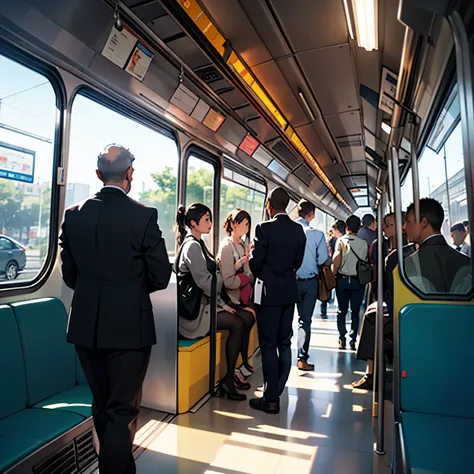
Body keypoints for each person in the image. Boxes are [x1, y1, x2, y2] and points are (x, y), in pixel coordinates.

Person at [60, 144, 172, 474]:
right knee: (123, 412)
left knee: (103, 406)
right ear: (129, 175)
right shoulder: (143, 215)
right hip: (129, 329)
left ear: (97, 175)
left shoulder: (73, 215)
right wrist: (130, 293)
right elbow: (161, 276)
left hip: (85, 327)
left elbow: (70, 276)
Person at [176, 203, 254, 400]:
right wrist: (223, 300)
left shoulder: (200, 244)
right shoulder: (193, 247)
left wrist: (223, 304)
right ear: (193, 223)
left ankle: (232, 375)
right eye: (206, 220)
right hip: (195, 314)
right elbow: (208, 283)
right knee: (237, 324)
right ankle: (229, 380)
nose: (210, 224)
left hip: (205, 306)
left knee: (240, 320)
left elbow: (210, 283)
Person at [248, 187, 306, 414]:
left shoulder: (263, 228)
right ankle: (278, 389)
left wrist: (266, 273)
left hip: (268, 293)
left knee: (268, 344)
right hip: (289, 292)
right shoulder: (298, 230)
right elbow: (298, 261)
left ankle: (270, 398)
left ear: (269, 205)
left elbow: (255, 263)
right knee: (284, 342)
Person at [352, 213, 415, 389]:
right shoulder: (383, 245)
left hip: (400, 304)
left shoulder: (399, 252)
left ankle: (370, 372)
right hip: (391, 297)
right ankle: (371, 370)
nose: (384, 229)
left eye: (388, 225)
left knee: (372, 317)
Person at [218, 209, 256, 380]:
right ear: (234, 225)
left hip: (241, 296)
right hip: (231, 298)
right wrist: (243, 278)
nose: (247, 228)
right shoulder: (226, 247)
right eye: (245, 224)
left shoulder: (243, 245)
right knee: (245, 319)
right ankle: (235, 369)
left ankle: (243, 361)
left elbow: (249, 273)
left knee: (251, 317)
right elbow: (228, 282)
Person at [404, 198, 471, 293]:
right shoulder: (467, 262)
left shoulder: (410, 263)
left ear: (423, 222)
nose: (404, 227)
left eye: (408, 222)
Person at [294, 200, 328, 371]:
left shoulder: (289, 230)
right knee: (304, 321)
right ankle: (302, 358)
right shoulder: (317, 234)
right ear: (311, 214)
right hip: (309, 283)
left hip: (289, 282)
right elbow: (323, 260)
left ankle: (280, 355)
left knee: (285, 319)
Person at [332, 215, 368, 350]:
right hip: (357, 282)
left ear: (346, 228)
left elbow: (336, 261)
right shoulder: (363, 243)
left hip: (342, 281)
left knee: (341, 311)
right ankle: (353, 339)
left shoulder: (340, 241)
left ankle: (342, 338)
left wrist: (333, 276)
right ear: (359, 228)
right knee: (355, 311)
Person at [321, 220, 346, 319]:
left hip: (331, 268)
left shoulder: (332, 241)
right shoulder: (344, 240)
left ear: (336, 230)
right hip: (342, 270)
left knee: (327, 288)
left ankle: (324, 309)